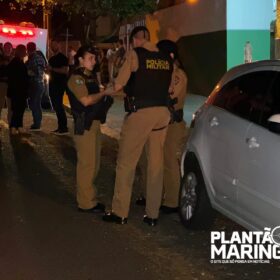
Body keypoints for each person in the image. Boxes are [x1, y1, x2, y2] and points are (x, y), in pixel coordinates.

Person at [103, 26, 173, 226]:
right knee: (155, 165)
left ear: (136, 40)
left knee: (126, 163)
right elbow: (169, 88)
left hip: (141, 113)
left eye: (132, 40)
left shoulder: (135, 55)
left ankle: (120, 212)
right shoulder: (166, 58)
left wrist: (105, 89)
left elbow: (118, 85)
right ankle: (152, 215)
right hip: (162, 114)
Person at [67, 46, 113, 213]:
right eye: (90, 58)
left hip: (93, 123)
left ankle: (90, 198)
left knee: (95, 163)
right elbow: (85, 101)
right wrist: (103, 93)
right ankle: (85, 203)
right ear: (80, 59)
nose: (94, 61)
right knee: (87, 164)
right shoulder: (77, 78)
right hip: (83, 124)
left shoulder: (90, 76)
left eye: (95, 58)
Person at [48, 39, 69, 135]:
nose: (53, 46)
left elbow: (65, 70)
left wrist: (52, 69)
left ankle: (64, 128)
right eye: (51, 45)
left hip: (59, 85)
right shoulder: (51, 59)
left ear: (59, 44)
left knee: (58, 106)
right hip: (52, 85)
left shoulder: (63, 58)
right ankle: (60, 127)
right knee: (56, 106)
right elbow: (50, 71)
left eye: (54, 44)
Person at [7, 44, 29, 135]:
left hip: (16, 90)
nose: (26, 52)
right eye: (25, 51)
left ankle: (18, 126)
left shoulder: (16, 61)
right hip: (18, 90)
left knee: (18, 109)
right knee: (17, 109)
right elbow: (20, 77)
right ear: (21, 51)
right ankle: (14, 126)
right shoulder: (17, 62)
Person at [26, 42, 46, 131]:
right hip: (40, 83)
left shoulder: (34, 58)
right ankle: (37, 122)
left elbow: (36, 72)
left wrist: (27, 72)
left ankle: (37, 124)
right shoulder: (40, 57)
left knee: (35, 104)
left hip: (35, 83)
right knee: (36, 104)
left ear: (28, 49)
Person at [0, 42, 14, 124]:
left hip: (11, 85)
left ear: (12, 49)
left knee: (11, 106)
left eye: (9, 47)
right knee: (0, 104)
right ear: (3, 48)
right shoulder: (1, 58)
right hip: (2, 83)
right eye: (6, 47)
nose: (8, 49)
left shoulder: (13, 58)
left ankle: (11, 123)